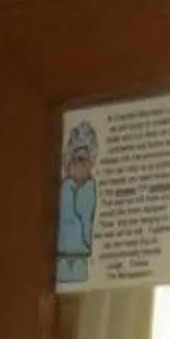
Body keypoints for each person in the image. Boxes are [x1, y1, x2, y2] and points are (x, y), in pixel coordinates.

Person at [57, 119, 98, 284]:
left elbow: (85, 217)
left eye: (83, 160)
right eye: (75, 160)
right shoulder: (64, 187)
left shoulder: (89, 188)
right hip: (62, 257)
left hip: (80, 256)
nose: (78, 165)